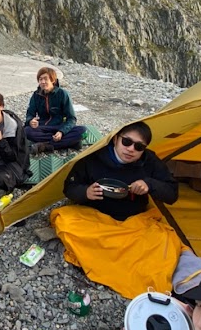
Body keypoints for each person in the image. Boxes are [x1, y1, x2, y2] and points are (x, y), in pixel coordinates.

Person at [51, 122, 184, 297]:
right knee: (64, 220)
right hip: (96, 217)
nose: (131, 149)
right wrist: (86, 192)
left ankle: (107, 260)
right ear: (115, 139)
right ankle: (111, 259)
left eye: (139, 146)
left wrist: (149, 184)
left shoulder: (149, 161)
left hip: (134, 220)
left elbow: (172, 193)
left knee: (165, 240)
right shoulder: (93, 158)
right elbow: (69, 187)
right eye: (127, 142)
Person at [24, 66, 86, 154]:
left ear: (53, 80)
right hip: (43, 128)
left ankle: (45, 146)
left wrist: (62, 132)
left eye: (45, 79)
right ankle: (67, 143)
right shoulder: (36, 95)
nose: (42, 82)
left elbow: (72, 118)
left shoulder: (62, 94)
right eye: (40, 79)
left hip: (59, 126)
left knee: (83, 131)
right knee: (27, 131)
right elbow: (30, 114)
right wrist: (30, 121)